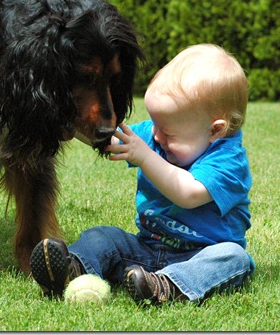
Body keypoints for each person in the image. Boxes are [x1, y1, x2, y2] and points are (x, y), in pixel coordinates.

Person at [30, 44, 254, 306]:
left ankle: (168, 286)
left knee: (233, 257)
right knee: (103, 236)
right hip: (145, 249)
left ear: (215, 130)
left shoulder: (229, 162)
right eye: (154, 123)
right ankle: (71, 268)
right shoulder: (159, 135)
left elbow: (188, 193)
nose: (155, 136)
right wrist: (63, 118)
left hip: (199, 256)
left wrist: (145, 157)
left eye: (167, 132)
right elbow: (108, 139)